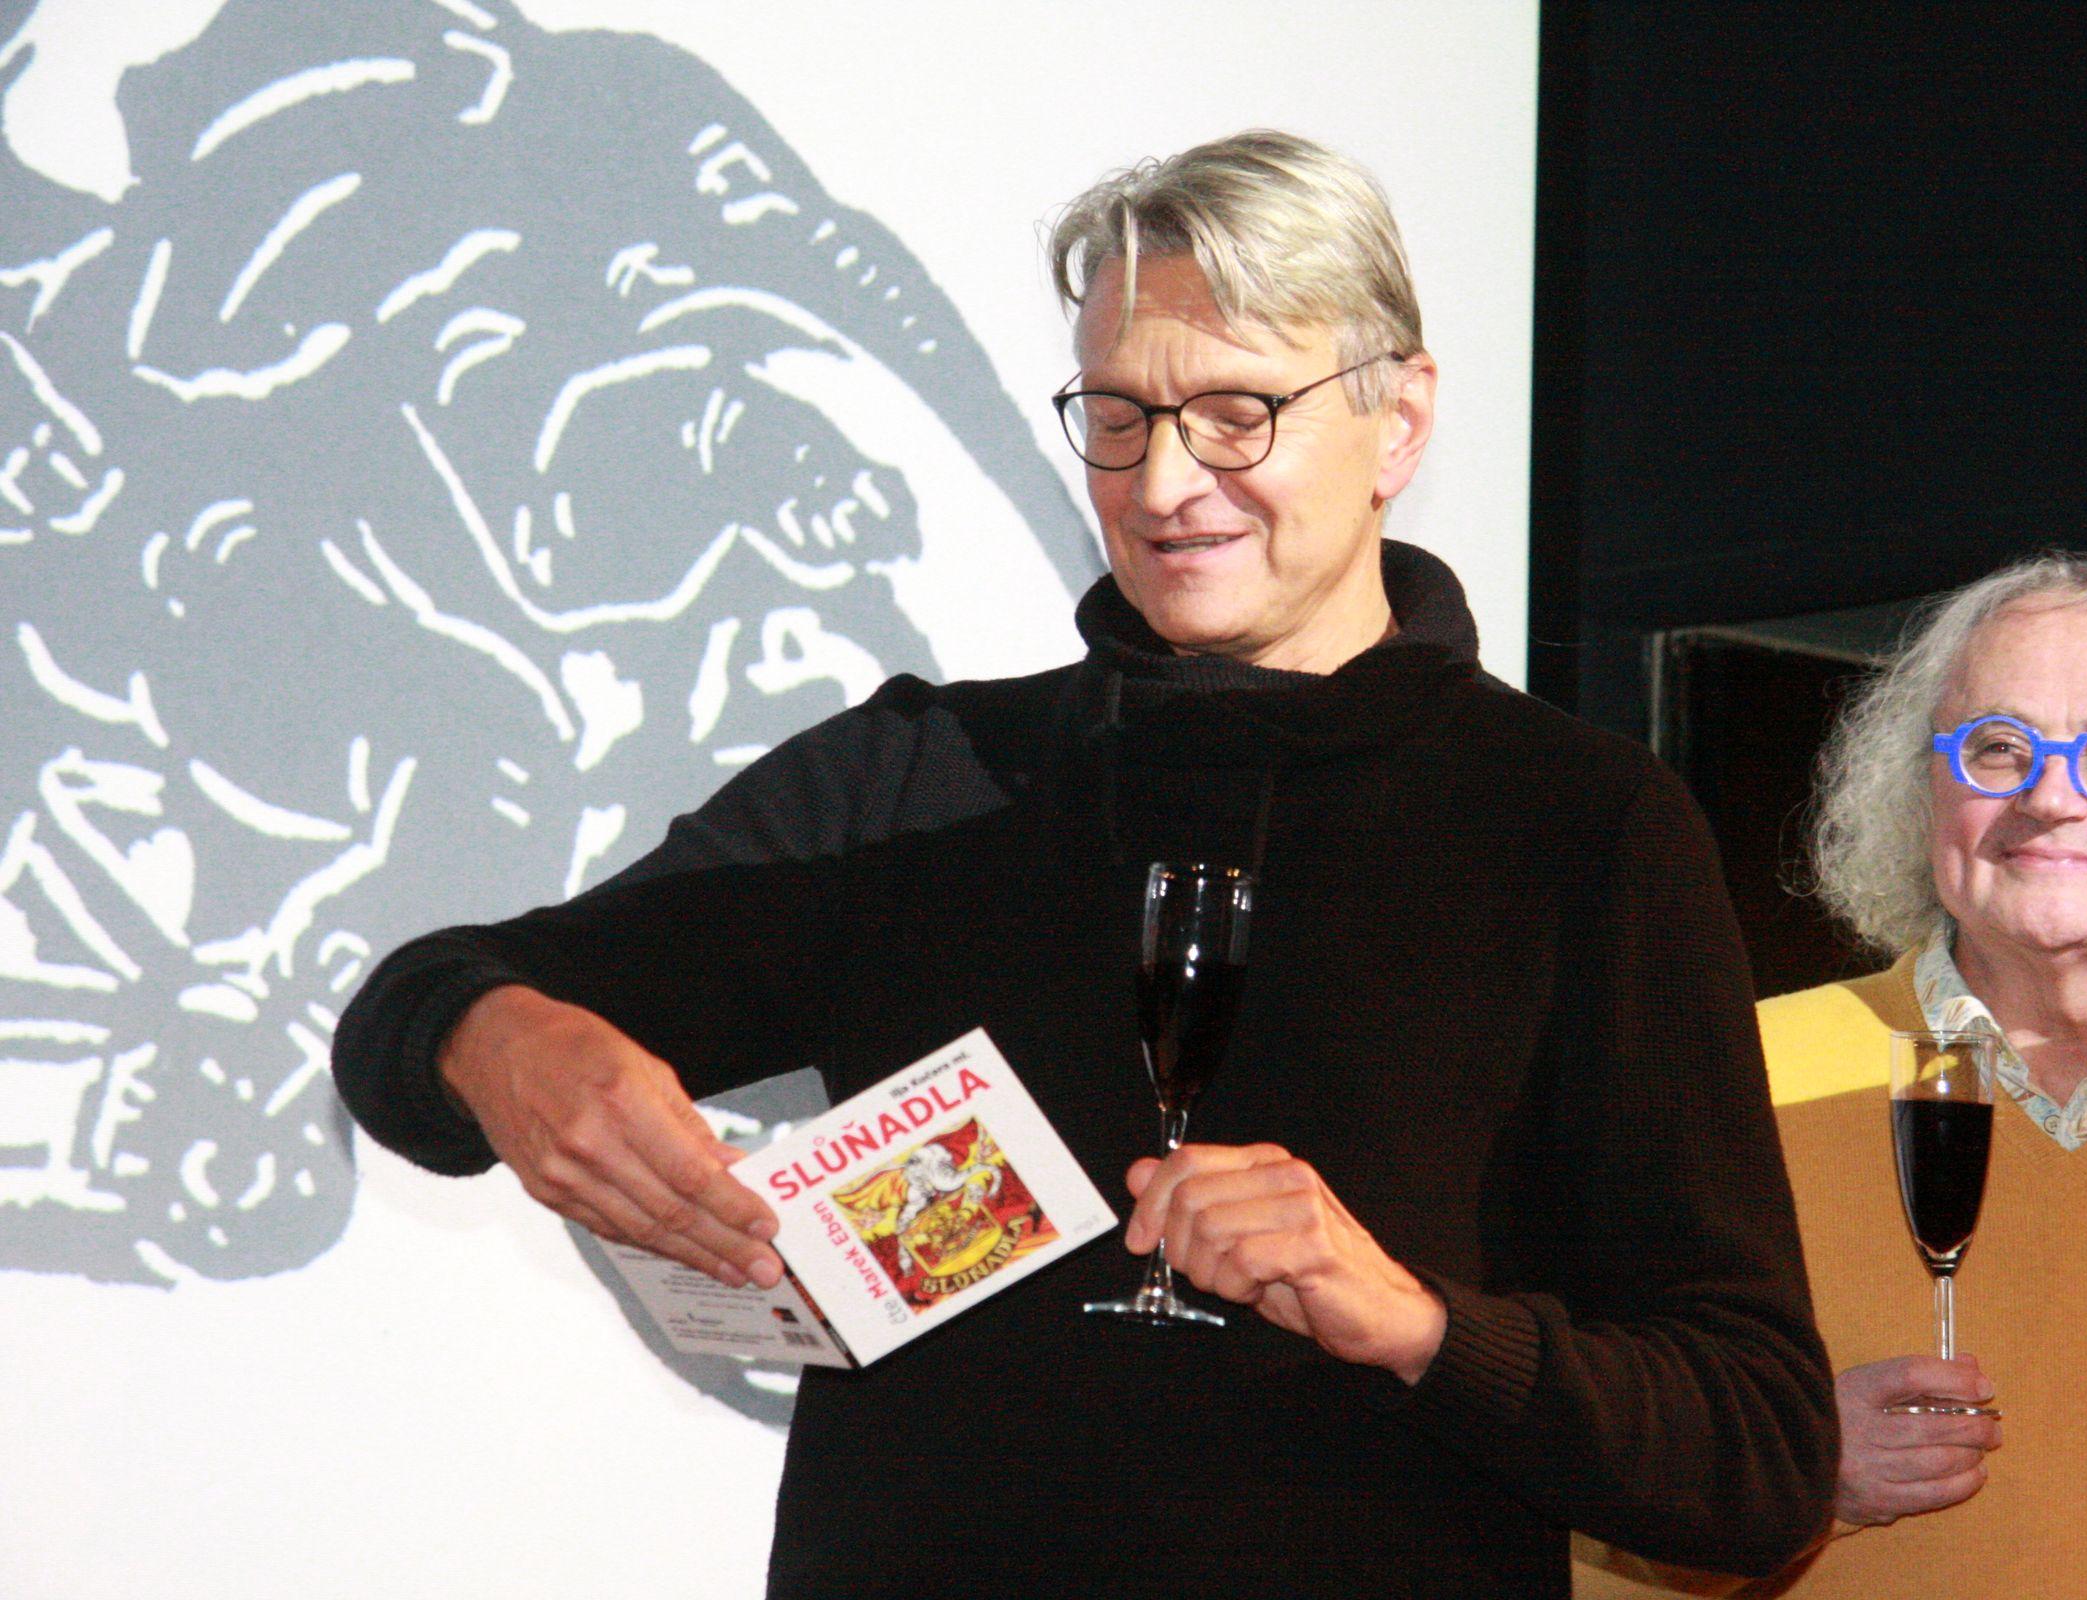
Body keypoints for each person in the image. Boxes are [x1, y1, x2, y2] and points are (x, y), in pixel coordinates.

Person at [332, 130, 1837, 1596]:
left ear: (1401, 420)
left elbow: (1757, 1457)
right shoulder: (918, 780)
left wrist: (1415, 1322)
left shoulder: (1582, 826)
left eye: (1236, 414)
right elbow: (419, 1009)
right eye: (1117, 417)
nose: (1164, 483)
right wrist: (492, 1037)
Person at [1582, 551, 2087, 1600]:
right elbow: (1560, 1519)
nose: (2050, 797)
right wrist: (1781, 1474)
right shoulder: (1722, 1086)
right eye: (1998, 747)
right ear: (1923, 792)